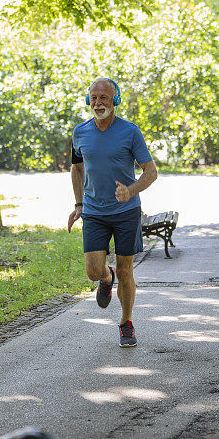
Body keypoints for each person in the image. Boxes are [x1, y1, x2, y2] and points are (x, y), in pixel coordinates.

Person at [67, 77, 158, 348]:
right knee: (94, 271)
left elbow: (150, 172)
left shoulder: (130, 132)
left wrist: (130, 190)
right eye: (93, 98)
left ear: (115, 100)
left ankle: (126, 322)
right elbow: (77, 168)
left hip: (126, 211)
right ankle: (106, 279)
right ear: (88, 100)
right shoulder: (80, 132)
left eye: (104, 98)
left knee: (126, 269)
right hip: (94, 211)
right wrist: (78, 205)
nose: (98, 103)